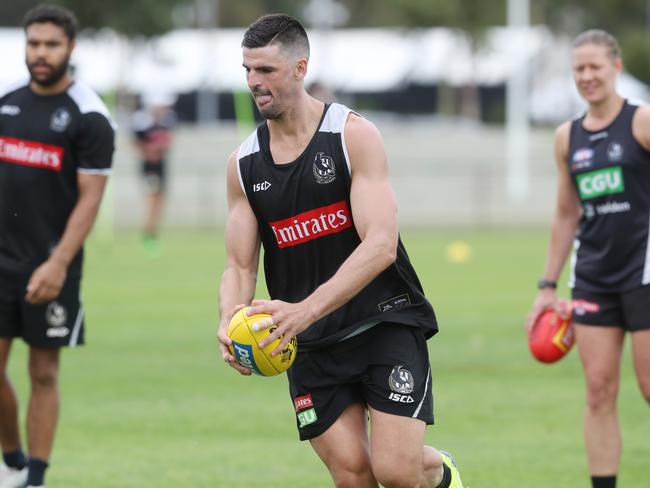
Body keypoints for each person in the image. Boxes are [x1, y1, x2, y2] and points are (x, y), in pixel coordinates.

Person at [217, 14, 463, 488]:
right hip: (307, 342)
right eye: (247, 70)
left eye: (265, 70)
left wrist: (303, 311)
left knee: (394, 471)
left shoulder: (351, 136)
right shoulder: (243, 165)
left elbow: (380, 246)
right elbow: (239, 263)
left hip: (382, 321)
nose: (254, 82)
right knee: (353, 474)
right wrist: (230, 317)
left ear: (299, 68)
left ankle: (441, 473)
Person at [526, 29, 650, 488]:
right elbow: (565, 213)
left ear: (616, 67)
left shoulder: (642, 122)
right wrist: (547, 286)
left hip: (645, 274)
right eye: (579, 68)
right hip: (594, 276)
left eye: (595, 66)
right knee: (599, 391)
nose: (587, 75)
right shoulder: (567, 137)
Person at [0, 5, 115, 487]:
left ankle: (36, 479)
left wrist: (58, 264)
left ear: (70, 47)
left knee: (43, 371)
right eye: (33, 44)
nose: (40, 53)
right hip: (0, 260)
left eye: (50, 44)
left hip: (51, 263)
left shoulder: (90, 116)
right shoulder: (6, 102)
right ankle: (11, 459)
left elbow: (90, 201)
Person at [131, 95, 176, 255]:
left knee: (159, 200)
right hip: (149, 167)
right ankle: (149, 235)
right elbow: (135, 143)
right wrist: (149, 150)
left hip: (160, 167)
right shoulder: (142, 123)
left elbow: (170, 140)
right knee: (152, 198)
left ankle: (152, 232)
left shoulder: (166, 122)